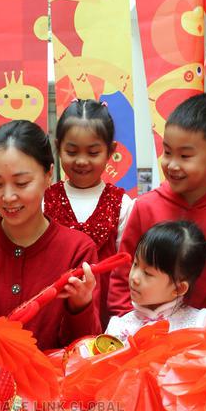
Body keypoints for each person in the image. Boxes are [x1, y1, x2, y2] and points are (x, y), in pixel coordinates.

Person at [0, 120, 99, 351]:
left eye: (21, 183)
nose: (7, 196)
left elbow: (86, 350)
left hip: (53, 383)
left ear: (48, 175)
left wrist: (80, 305)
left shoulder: (78, 250)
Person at [109, 94, 206, 338]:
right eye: (167, 152)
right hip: (137, 339)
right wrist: (127, 329)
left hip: (200, 343)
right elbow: (122, 272)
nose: (171, 164)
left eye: (185, 156)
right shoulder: (146, 207)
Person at [45, 99, 134, 328]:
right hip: (56, 308)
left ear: (111, 151)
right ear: (58, 147)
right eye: (71, 151)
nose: (82, 161)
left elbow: (126, 270)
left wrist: (121, 322)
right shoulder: (44, 201)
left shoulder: (122, 204)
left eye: (93, 152)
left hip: (110, 313)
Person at [106, 221, 206, 341]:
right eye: (135, 264)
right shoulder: (117, 329)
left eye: (147, 273)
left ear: (178, 288)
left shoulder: (199, 325)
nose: (134, 277)